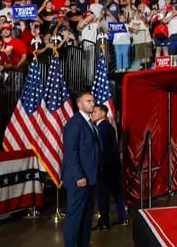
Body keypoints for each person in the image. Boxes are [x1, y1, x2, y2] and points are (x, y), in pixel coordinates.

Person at [62, 92, 101, 247]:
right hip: (79, 180)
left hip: (90, 178)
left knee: (86, 217)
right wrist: (79, 176)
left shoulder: (90, 123)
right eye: (88, 101)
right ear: (79, 105)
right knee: (75, 217)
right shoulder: (74, 123)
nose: (93, 103)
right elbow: (71, 152)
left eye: (93, 100)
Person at [91, 104, 127, 230]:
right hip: (112, 166)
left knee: (102, 195)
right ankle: (122, 217)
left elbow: (99, 149)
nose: (92, 113)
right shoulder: (106, 127)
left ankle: (104, 222)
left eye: (95, 111)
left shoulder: (103, 128)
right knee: (116, 192)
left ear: (103, 113)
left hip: (104, 167)